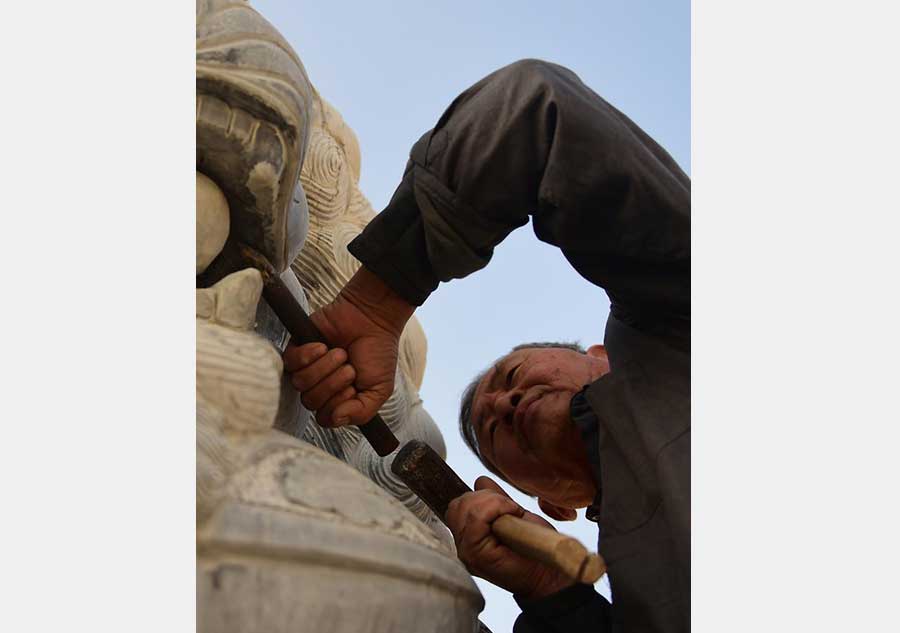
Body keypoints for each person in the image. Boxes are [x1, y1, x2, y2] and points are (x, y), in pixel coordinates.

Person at [282, 59, 690, 632]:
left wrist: (377, 301)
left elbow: (533, 114)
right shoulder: (645, 586)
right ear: (553, 504)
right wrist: (551, 594)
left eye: (511, 375)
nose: (502, 404)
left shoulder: (679, 326)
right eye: (493, 436)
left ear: (598, 355)